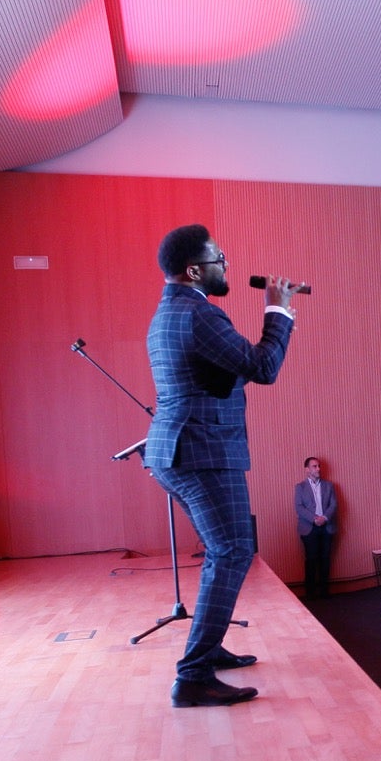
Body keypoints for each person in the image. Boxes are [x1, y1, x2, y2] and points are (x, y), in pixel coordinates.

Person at [144, 223, 303, 708]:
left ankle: (208, 650)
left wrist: (266, 337)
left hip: (179, 449)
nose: (226, 264)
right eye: (219, 258)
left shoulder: (171, 312)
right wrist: (279, 310)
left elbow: (221, 376)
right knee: (232, 551)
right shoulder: (200, 314)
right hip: (202, 451)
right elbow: (263, 368)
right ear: (194, 270)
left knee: (224, 552)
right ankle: (193, 676)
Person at [294, 456, 336, 599]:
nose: (318, 469)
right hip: (309, 527)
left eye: (319, 466)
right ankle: (310, 593)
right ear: (307, 469)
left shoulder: (329, 485)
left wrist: (324, 518)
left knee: (325, 558)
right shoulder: (300, 487)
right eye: (314, 466)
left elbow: (333, 504)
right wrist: (314, 519)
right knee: (311, 559)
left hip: (327, 527)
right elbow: (299, 507)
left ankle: (324, 592)